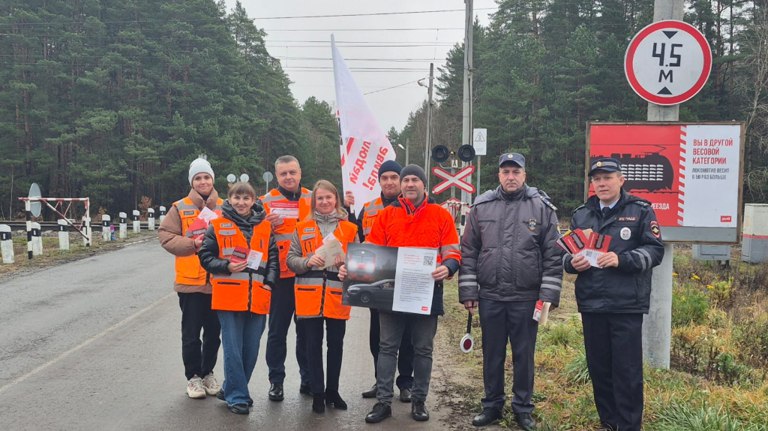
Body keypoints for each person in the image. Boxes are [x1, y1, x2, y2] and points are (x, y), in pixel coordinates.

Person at [340, 164, 462, 424]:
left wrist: (448, 266)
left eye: (414, 180)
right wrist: (351, 269)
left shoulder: (440, 215)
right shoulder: (386, 215)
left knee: (423, 349)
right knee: (387, 348)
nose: (409, 184)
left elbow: (452, 250)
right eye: (405, 180)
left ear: (423, 185)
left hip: (426, 290)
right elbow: (372, 249)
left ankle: (419, 400)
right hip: (391, 293)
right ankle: (383, 402)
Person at [459, 152, 563, 430]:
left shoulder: (541, 207)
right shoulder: (482, 206)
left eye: (516, 172)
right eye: (505, 172)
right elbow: (469, 251)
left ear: (525, 175)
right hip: (491, 296)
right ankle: (492, 406)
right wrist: (469, 290)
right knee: (492, 354)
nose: (511, 177)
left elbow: (553, 255)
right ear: (499, 176)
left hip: (526, 298)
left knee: (524, 356)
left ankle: (523, 408)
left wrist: (548, 297)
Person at [564, 157, 664, 431]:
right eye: (597, 179)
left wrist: (622, 260)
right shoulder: (582, 214)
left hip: (626, 304)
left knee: (627, 371)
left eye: (607, 177)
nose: (602, 183)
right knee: (600, 369)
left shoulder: (640, 210)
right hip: (592, 302)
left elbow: (655, 251)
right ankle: (608, 422)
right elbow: (567, 255)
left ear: (621, 180)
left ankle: (630, 425)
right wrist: (572, 263)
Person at [198, 182, 279, 414]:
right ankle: (238, 396)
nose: (241, 202)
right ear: (229, 200)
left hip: (259, 296)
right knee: (233, 348)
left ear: (253, 201)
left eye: (246, 198)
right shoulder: (218, 225)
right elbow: (204, 256)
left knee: (251, 349)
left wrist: (270, 282)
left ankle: (229, 387)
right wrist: (226, 266)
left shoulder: (264, 227)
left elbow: (273, 258)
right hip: (229, 295)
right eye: (237, 198)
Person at [287, 180, 359, 414]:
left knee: (336, 345)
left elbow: (359, 263)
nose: (325, 202)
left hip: (337, 294)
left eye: (329, 197)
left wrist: (347, 265)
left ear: (336, 199)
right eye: (320, 198)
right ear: (313, 202)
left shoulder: (349, 229)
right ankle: (317, 393)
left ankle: (333, 391)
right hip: (308, 295)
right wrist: (307, 262)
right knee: (312, 346)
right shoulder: (301, 227)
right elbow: (291, 260)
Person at [158, 156, 222, 399]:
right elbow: (165, 236)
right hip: (190, 283)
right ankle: (193, 377)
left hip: (219, 283)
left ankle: (208, 372)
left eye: (206, 177)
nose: (203, 181)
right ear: (192, 182)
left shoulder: (225, 206)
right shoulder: (180, 207)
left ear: (212, 179)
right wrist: (192, 244)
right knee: (191, 334)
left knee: (214, 333)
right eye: (198, 178)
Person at [356, 160, 415, 402]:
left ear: (401, 180)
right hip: (378, 283)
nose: (389, 181)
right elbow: (358, 242)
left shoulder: (413, 206)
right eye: (385, 177)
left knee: (408, 336)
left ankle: (406, 383)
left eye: (394, 177)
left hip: (408, 280)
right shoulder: (367, 209)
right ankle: (382, 382)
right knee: (378, 336)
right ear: (379, 181)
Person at [262, 155, 312, 401]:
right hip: (281, 277)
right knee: (277, 332)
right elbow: (252, 233)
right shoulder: (266, 202)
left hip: (307, 274)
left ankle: (307, 378)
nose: (289, 177)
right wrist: (263, 223)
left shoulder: (313, 198)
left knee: (306, 332)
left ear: (300, 172)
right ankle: (276, 381)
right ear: (277, 175)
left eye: (292, 172)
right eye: (284, 174)